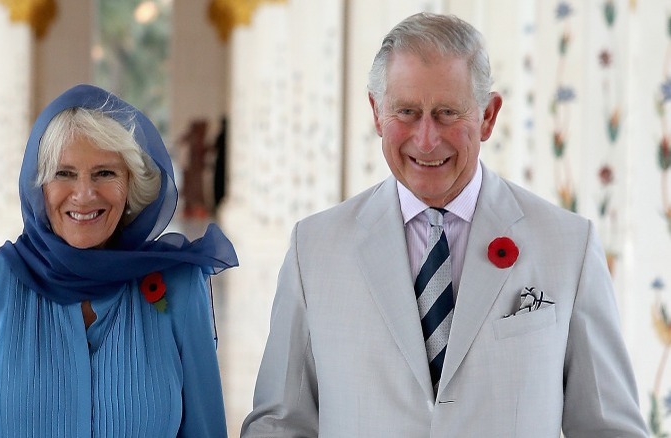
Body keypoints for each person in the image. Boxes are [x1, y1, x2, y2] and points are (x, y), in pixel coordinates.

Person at [241, 12, 648, 437]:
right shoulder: (315, 248)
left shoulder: (569, 246)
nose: (426, 139)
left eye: (448, 113)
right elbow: (280, 424)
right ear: (377, 112)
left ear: (488, 116)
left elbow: (609, 428)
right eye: (407, 112)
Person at [0, 84, 238, 437]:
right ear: (39, 186)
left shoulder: (179, 288)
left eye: (105, 173)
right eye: (64, 174)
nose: (84, 195)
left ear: (131, 185)